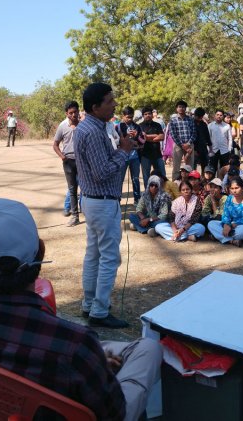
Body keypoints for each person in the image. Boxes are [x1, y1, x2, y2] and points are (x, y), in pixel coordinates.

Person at [0, 198, 163, 421]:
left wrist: (93, 362)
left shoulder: (75, 346)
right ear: (41, 252)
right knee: (149, 348)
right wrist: (95, 367)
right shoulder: (76, 344)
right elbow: (114, 412)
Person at [73, 83, 136, 329]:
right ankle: (99, 311)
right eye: (109, 101)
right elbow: (102, 173)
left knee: (94, 255)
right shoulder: (93, 131)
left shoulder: (89, 127)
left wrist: (119, 150)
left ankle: (89, 304)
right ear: (95, 107)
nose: (115, 105)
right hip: (102, 201)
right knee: (109, 257)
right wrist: (124, 152)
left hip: (92, 200)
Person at [208, 176, 243, 246]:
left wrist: (231, 225)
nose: (234, 191)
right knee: (211, 224)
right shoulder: (229, 198)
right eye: (232, 188)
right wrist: (226, 224)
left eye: (237, 188)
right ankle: (232, 241)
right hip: (230, 226)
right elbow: (226, 214)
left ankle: (220, 236)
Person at [54, 101, 81, 226]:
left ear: (78, 111)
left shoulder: (83, 125)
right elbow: (55, 145)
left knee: (86, 188)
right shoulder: (62, 126)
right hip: (68, 162)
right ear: (66, 114)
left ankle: (88, 212)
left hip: (82, 162)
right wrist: (63, 157)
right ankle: (75, 216)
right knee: (72, 189)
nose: (73, 115)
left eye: (75, 112)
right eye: (71, 113)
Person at [116, 107, 144, 202]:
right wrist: (130, 141)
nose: (130, 119)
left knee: (135, 179)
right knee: (120, 179)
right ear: (123, 116)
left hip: (134, 156)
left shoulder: (137, 126)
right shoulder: (118, 126)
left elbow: (141, 141)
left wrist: (136, 137)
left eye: (131, 117)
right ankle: (117, 200)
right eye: (128, 117)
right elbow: (117, 140)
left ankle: (137, 199)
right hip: (122, 156)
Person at [169, 100, 197, 178]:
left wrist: (188, 144)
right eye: (179, 107)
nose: (181, 108)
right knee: (176, 167)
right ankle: (175, 184)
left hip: (189, 145)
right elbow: (173, 134)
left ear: (185, 108)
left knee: (190, 167)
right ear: (176, 108)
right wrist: (182, 145)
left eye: (183, 107)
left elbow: (194, 133)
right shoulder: (173, 120)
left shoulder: (190, 119)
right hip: (178, 146)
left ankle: (189, 183)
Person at [192, 107, 212, 176]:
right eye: (198, 116)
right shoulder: (191, 123)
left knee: (205, 165)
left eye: (201, 116)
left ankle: (204, 178)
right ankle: (193, 178)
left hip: (203, 147)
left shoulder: (204, 124)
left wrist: (210, 146)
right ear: (195, 115)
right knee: (193, 165)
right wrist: (193, 149)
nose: (199, 118)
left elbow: (207, 136)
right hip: (193, 148)